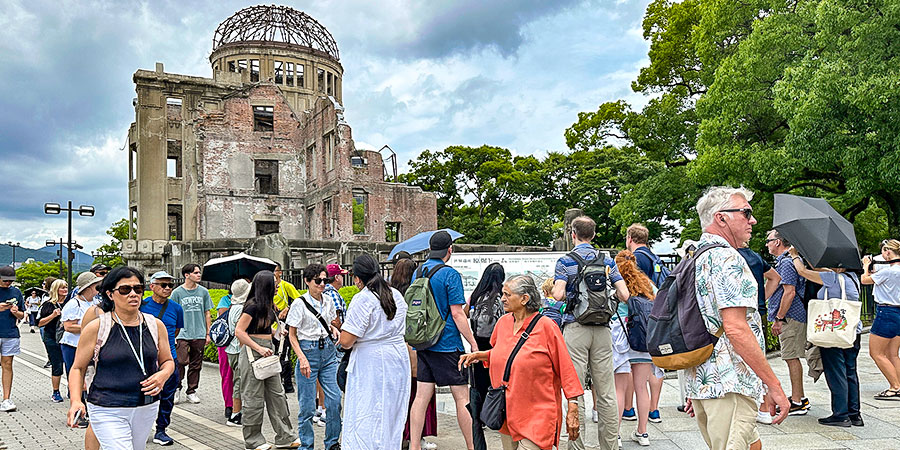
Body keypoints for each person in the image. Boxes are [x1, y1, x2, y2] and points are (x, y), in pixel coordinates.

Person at [684, 186, 790, 450]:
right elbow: (736, 329)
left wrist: (695, 382)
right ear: (721, 218)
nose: (752, 220)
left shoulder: (695, 256)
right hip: (729, 381)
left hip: (707, 377)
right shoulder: (727, 259)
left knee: (752, 444)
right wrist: (773, 384)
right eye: (746, 213)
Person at [460, 275, 583, 450]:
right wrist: (481, 356)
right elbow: (504, 353)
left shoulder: (547, 327)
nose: (502, 298)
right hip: (506, 412)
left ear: (524, 298)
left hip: (538, 415)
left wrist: (573, 406)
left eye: (507, 294)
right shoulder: (502, 323)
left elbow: (566, 368)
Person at [66, 266, 175, 450]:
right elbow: (77, 368)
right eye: (125, 289)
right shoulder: (97, 327)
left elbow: (168, 361)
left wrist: (163, 375)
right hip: (107, 405)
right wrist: (76, 400)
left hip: (145, 405)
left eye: (138, 289)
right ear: (110, 294)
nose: (133, 294)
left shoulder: (155, 325)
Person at [550, 215, 630, 450]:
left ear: (572, 234)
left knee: (575, 390)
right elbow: (624, 294)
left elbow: (558, 295)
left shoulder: (565, 261)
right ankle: (610, 446)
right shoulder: (607, 260)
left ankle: (578, 446)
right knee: (605, 391)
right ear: (593, 235)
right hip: (603, 329)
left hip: (576, 328)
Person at [408, 230, 480, 450]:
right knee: (461, 397)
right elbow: (457, 313)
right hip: (447, 342)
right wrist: (473, 343)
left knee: (421, 396)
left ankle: (414, 445)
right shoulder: (450, 274)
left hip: (423, 341)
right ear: (449, 249)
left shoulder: (418, 271)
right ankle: (472, 445)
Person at [339, 254, 412, 449]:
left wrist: (339, 331)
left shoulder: (363, 298)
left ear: (357, 278)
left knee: (367, 411)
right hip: (396, 357)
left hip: (370, 361)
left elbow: (346, 340)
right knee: (391, 412)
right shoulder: (395, 294)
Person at [789, 247, 863, 427]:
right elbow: (817, 270)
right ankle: (854, 414)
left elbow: (802, 271)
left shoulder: (831, 279)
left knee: (836, 372)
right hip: (853, 332)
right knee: (850, 371)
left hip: (833, 333)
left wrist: (794, 255)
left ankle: (840, 414)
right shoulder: (853, 278)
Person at [235, 270, 299, 450]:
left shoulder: (268, 306)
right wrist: (259, 348)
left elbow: (263, 328)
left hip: (267, 352)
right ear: (266, 286)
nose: (278, 284)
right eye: (275, 281)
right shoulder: (252, 306)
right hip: (253, 353)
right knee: (253, 398)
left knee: (278, 396)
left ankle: (286, 436)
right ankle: (253, 440)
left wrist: (276, 333)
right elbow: (240, 331)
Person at [286, 263, 342, 450]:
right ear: (307, 281)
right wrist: (301, 358)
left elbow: (329, 322)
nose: (322, 284)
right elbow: (292, 335)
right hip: (307, 351)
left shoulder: (328, 300)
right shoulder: (299, 303)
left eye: (325, 280)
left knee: (334, 401)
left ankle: (332, 442)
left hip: (327, 352)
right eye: (317, 281)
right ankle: (307, 445)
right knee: (307, 406)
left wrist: (333, 329)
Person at [614, 250, 661, 446]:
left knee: (619, 389)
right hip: (642, 336)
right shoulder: (647, 283)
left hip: (620, 337)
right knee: (642, 387)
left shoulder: (615, 283)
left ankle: (615, 435)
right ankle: (643, 433)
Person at [623, 223, 666, 425]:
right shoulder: (654, 257)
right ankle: (654, 409)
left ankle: (629, 408)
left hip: (637, 319)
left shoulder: (637, 259)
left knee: (635, 369)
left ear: (630, 238)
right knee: (654, 367)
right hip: (654, 317)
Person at [394, 258, 438, 450]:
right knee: (419, 394)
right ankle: (416, 438)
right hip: (416, 348)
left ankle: (400, 436)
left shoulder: (390, 293)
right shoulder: (417, 293)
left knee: (400, 396)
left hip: (396, 349)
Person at [765, 229, 809, 415]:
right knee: (791, 357)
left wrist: (779, 318)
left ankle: (798, 401)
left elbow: (789, 292)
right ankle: (799, 397)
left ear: (777, 242)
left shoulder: (786, 263)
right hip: (792, 315)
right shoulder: (785, 262)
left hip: (791, 316)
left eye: (768, 240)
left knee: (791, 357)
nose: (766, 244)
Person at [737, 243, 781, 425]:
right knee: (758, 357)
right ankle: (763, 408)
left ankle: (749, 406)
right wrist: (761, 298)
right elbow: (775, 278)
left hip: (739, 312)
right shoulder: (755, 256)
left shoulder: (730, 256)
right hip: (756, 313)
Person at [140, 271, 185, 446]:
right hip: (145, 360)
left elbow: (175, 332)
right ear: (152, 287)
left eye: (170, 285)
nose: (167, 288)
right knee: (143, 397)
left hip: (169, 360)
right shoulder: (141, 305)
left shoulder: (176, 308)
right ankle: (141, 430)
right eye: (163, 285)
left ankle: (161, 430)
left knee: (167, 397)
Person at [467, 263, 505, 450]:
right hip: (494, 349)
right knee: (496, 387)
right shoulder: (500, 299)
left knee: (478, 388)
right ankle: (494, 416)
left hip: (476, 350)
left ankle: (478, 421)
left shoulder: (475, 297)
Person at [862, 239, 900, 400]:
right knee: (893, 354)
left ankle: (895, 387)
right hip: (897, 311)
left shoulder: (889, 271)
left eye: (884, 251)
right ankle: (899, 384)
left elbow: (864, 280)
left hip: (886, 311)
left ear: (888, 252)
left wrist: (865, 265)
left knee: (876, 353)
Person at [171, 263, 213, 404]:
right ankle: (176, 388)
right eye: (195, 272)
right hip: (182, 333)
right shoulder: (177, 293)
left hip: (199, 332)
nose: (199, 275)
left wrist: (208, 333)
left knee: (196, 364)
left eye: (199, 272)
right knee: (180, 362)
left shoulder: (204, 292)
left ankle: (192, 391)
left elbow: (207, 313)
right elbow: (173, 313)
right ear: (186, 275)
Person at [225, 279, 251, 427]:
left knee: (239, 381)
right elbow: (241, 332)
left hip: (231, 349)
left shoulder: (233, 307)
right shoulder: (241, 309)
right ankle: (235, 414)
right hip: (238, 350)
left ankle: (238, 412)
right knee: (240, 382)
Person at [38, 279, 68, 403]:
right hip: (52, 338)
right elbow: (39, 323)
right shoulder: (48, 305)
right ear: (56, 290)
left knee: (72, 365)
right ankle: (56, 391)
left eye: (66, 287)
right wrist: (53, 315)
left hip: (68, 338)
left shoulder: (71, 303)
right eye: (62, 288)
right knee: (57, 365)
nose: (65, 290)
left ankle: (73, 390)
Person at [0, 266, 24, 413]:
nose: (8, 283)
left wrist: (17, 313)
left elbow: (22, 315)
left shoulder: (16, 292)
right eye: (5, 280)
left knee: (7, 364)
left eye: (11, 280)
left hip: (10, 332)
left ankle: (6, 399)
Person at [274, 263, 300, 395]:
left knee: (284, 355)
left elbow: (299, 299)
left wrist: (287, 308)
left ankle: (287, 384)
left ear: (280, 272)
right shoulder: (268, 286)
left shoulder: (286, 286)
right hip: (271, 327)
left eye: (276, 271)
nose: (273, 274)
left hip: (283, 326)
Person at [216, 282, 238, 420]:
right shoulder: (225, 299)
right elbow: (223, 318)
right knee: (227, 374)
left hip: (242, 343)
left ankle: (240, 405)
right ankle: (229, 405)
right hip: (226, 341)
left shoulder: (250, 300)